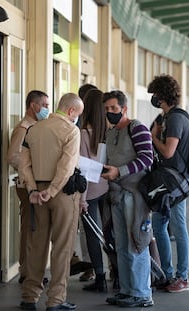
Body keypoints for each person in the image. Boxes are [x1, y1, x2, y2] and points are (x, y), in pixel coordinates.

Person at [18, 93, 84, 311]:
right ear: (71, 111)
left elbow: (23, 164)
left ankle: (29, 296)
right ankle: (56, 300)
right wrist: (53, 190)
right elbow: (66, 166)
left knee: (36, 244)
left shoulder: (33, 130)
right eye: (78, 114)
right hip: (63, 194)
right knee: (62, 247)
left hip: (37, 192)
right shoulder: (71, 131)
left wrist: (33, 190)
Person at [101, 90, 154, 307]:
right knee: (121, 245)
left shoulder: (137, 128)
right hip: (116, 194)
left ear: (124, 109)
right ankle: (126, 290)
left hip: (135, 195)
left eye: (114, 108)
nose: (110, 112)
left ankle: (142, 293)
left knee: (137, 243)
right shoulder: (111, 133)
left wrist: (119, 171)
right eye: (107, 109)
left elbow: (147, 158)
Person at [148, 74, 189, 293]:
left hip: (175, 183)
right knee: (159, 226)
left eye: (155, 94)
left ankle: (182, 277)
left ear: (163, 95)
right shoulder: (164, 117)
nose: (153, 98)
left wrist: (153, 136)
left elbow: (168, 151)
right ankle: (167, 273)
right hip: (165, 181)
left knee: (178, 226)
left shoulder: (175, 119)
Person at [6, 90, 49, 284]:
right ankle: (26, 271)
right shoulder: (24, 128)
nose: (47, 109)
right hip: (26, 186)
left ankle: (32, 271)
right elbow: (13, 156)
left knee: (36, 229)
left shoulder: (37, 126)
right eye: (45, 105)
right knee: (29, 229)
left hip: (34, 184)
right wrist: (32, 168)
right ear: (33, 105)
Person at [79, 89, 109, 292]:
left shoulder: (82, 133)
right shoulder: (110, 131)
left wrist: (82, 198)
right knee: (112, 233)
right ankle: (118, 274)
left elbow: (82, 168)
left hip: (91, 191)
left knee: (92, 235)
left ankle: (100, 277)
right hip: (110, 186)